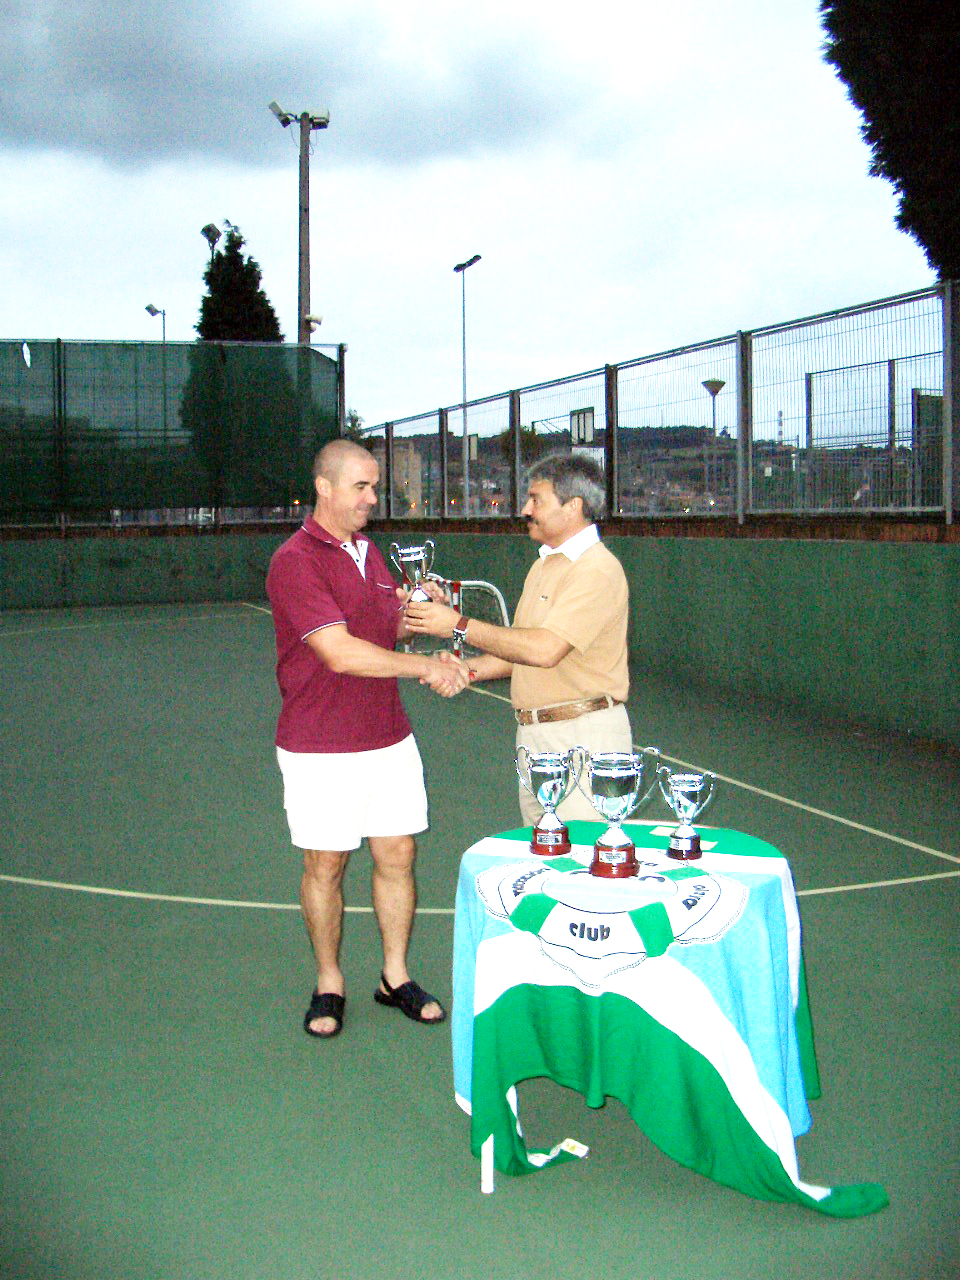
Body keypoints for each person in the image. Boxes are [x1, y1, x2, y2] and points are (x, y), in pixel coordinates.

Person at [266, 438, 469, 1039]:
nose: (373, 498)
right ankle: (329, 982)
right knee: (325, 864)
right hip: (319, 746)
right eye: (361, 486)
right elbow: (340, 652)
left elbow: (388, 632)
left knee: (398, 855)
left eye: (375, 486)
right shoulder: (295, 561)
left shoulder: (369, 553)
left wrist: (421, 612)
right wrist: (428, 667)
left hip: (388, 736)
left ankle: (394, 976)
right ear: (324, 487)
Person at [405, 451, 632, 825]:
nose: (526, 509)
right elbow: (521, 650)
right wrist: (467, 671)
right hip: (536, 740)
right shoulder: (544, 564)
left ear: (573, 506)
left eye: (536, 500)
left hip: (583, 738)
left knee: (580, 855)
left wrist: (457, 625)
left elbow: (545, 650)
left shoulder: (596, 570)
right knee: (543, 851)